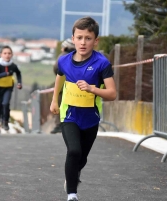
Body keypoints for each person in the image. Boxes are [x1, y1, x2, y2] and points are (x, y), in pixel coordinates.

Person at [50, 16, 116, 201]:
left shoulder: (102, 64)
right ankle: (72, 194)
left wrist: (92, 88)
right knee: (74, 151)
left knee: (82, 159)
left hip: (90, 118)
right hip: (69, 114)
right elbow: (59, 78)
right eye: (79, 37)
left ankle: (73, 172)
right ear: (73, 38)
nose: (83, 42)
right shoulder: (64, 61)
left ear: (96, 41)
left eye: (88, 38)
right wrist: (55, 100)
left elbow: (112, 93)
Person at [0, 46, 22, 135]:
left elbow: (18, 74)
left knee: (6, 103)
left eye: (9, 53)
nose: (7, 55)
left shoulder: (13, 65)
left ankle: (5, 122)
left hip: (8, 88)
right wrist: (5, 74)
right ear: (1, 55)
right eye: (5, 53)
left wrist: (19, 83)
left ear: (11, 55)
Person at [50, 38, 75, 134]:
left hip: (64, 85)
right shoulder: (77, 56)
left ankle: (60, 125)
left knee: (62, 105)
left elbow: (57, 69)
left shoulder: (63, 57)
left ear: (64, 48)